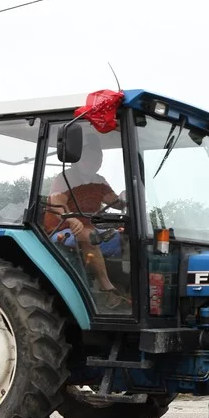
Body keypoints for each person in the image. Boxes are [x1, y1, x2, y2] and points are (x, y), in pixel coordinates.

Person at [42, 130, 129, 310]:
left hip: (88, 229)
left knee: (128, 239)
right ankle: (108, 290)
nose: (96, 160)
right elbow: (56, 204)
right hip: (62, 229)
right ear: (78, 157)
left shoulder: (99, 181)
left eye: (99, 156)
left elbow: (116, 203)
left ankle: (128, 288)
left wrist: (125, 198)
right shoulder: (65, 178)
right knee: (89, 236)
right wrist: (71, 219)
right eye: (91, 155)